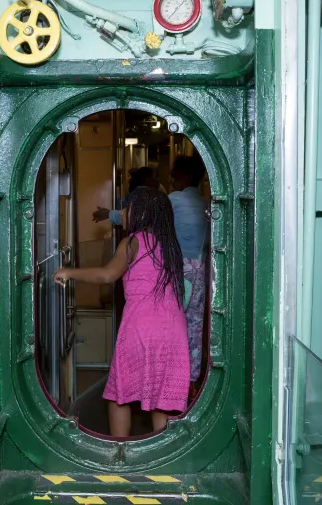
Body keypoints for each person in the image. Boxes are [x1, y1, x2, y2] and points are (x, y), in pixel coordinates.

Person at [54, 187, 190, 436]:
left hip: (141, 326)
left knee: (119, 394)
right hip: (174, 330)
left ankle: (120, 450)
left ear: (139, 214)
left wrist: (68, 272)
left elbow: (108, 274)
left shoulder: (132, 242)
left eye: (127, 208)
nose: (122, 213)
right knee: (162, 398)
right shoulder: (170, 246)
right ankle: (161, 456)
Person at [168, 156, 209, 385]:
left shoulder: (173, 200)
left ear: (187, 176)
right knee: (194, 325)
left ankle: (169, 376)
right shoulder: (206, 204)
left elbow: (147, 218)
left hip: (175, 268)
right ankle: (190, 380)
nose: (172, 178)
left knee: (170, 321)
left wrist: (112, 215)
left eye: (176, 174)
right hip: (200, 269)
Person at [92, 166, 160, 225]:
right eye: (156, 177)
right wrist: (109, 214)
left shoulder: (154, 197)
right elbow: (128, 215)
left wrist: (109, 214)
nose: (158, 180)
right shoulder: (139, 196)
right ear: (147, 180)